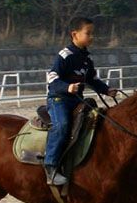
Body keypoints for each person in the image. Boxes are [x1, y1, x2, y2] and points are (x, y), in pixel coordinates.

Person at [44, 17, 118, 185]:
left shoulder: (86, 59)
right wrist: (67, 88)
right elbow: (52, 78)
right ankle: (51, 166)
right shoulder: (65, 56)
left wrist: (106, 90)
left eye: (93, 34)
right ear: (74, 34)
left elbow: (92, 79)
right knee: (62, 126)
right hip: (59, 99)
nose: (92, 37)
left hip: (77, 101)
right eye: (88, 33)